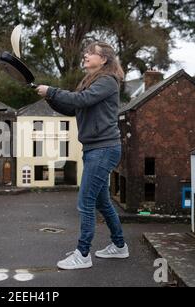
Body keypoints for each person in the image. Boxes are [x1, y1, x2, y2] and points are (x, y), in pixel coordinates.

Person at [36, 42, 129, 269]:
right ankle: (119, 246)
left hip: (104, 149)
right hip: (95, 149)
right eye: (86, 53)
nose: (85, 55)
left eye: (91, 53)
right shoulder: (91, 81)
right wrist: (49, 97)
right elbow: (73, 108)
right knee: (102, 202)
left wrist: (52, 90)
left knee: (85, 201)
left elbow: (81, 100)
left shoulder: (107, 81)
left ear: (104, 59)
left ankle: (83, 254)